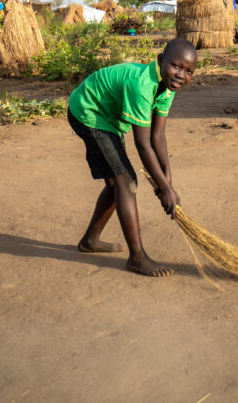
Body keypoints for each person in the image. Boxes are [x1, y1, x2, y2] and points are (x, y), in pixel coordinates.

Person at [67, 38, 197, 277]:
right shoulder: (142, 84)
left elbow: (158, 136)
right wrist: (164, 188)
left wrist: (166, 181)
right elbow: (142, 144)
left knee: (118, 184)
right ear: (160, 60)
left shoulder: (167, 88)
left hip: (108, 117)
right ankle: (137, 257)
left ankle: (90, 240)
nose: (181, 75)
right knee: (126, 183)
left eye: (189, 71)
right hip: (88, 111)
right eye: (176, 66)